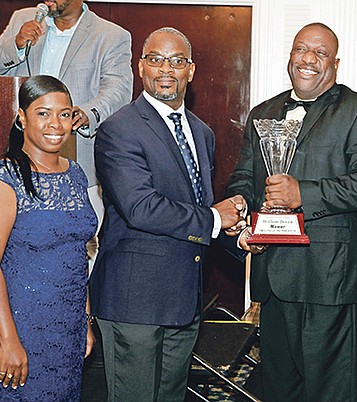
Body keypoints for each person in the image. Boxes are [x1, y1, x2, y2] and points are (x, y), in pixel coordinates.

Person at [226, 22, 357, 401]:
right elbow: (244, 179)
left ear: (335, 63)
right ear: (290, 57)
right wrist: (242, 223)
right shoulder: (262, 113)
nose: (308, 59)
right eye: (301, 49)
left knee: (332, 395)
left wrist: (303, 193)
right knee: (279, 393)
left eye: (319, 53)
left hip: (332, 283)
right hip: (273, 285)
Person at [89, 27, 246, 401]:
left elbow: (199, 207)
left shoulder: (202, 132)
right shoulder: (118, 129)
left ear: (190, 71)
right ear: (140, 66)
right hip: (135, 301)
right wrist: (214, 220)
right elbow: (140, 208)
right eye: (156, 59)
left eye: (177, 61)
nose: (166, 69)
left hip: (183, 301)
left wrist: (238, 238)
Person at [0, 75, 97, 401]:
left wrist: (84, 320)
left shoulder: (76, 174)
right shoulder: (3, 179)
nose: (55, 123)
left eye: (65, 113)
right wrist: (8, 339)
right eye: (43, 113)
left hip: (67, 329)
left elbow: (76, 255)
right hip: (20, 327)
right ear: (22, 117)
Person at [0, 0, 133, 188]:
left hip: (77, 158)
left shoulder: (111, 36)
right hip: (23, 159)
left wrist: (88, 113)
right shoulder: (23, 19)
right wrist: (16, 45)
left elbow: (119, 89)